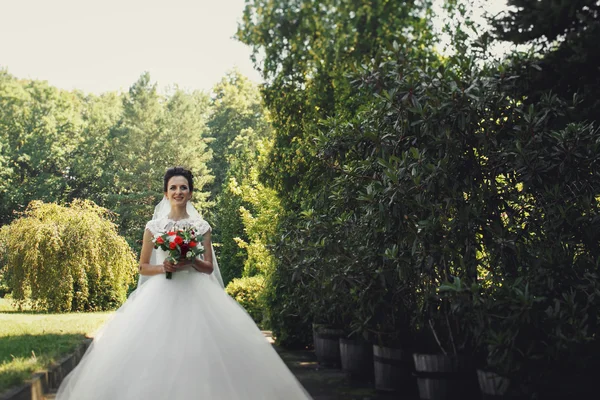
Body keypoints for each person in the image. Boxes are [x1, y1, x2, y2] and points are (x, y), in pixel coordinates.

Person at [55, 167, 312, 400]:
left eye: (184, 187)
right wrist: (163, 266)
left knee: (200, 354)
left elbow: (208, 266)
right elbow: (143, 266)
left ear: (190, 193)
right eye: (173, 188)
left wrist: (191, 261)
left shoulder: (201, 226)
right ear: (166, 193)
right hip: (160, 295)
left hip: (196, 293)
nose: (179, 192)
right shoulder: (153, 226)